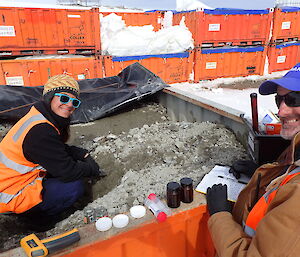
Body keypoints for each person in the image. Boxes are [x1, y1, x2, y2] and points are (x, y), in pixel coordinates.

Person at [206, 63, 300, 256]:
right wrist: (263, 174)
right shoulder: (295, 149)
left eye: (294, 99)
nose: (281, 112)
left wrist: (219, 215)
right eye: (279, 100)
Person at [0, 74, 104, 230]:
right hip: (10, 195)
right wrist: (91, 169)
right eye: (63, 98)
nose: (69, 105)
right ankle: (38, 221)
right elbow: (68, 171)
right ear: (50, 98)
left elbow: (54, 150)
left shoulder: (38, 118)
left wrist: (81, 153)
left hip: (10, 182)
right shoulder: (41, 131)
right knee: (74, 187)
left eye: (74, 102)